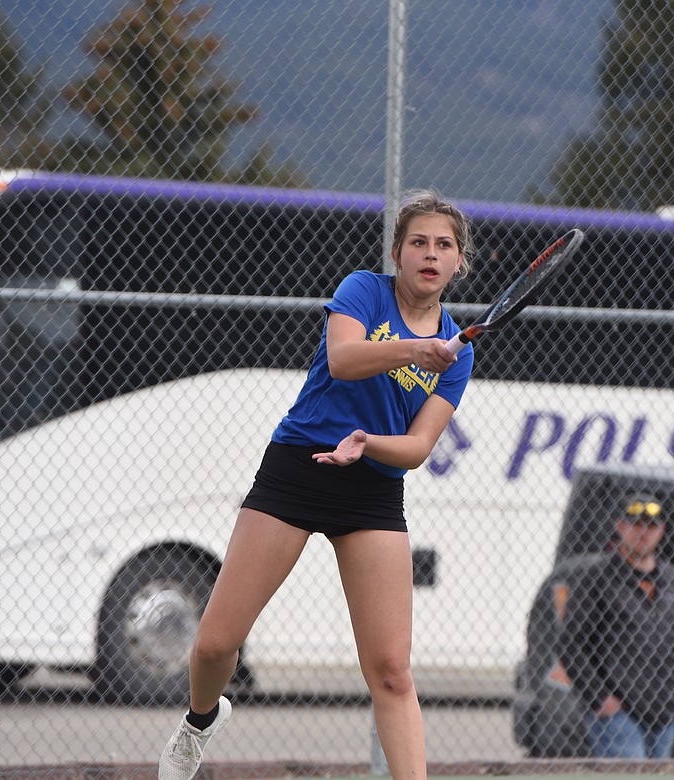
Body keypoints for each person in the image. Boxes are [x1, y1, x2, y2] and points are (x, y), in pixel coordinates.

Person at [158, 190, 476, 780]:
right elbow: (344, 359)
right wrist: (413, 350)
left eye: (444, 245)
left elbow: (416, 448)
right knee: (213, 644)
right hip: (297, 468)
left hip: (371, 490)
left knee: (391, 672)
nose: (430, 254)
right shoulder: (364, 290)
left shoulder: (458, 354)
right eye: (418, 243)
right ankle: (198, 724)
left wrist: (368, 445)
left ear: (459, 262)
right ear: (397, 253)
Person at [555, 492, 674, 760]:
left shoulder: (673, 580)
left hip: (664, 715)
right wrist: (600, 699)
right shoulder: (596, 578)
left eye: (651, 526)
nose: (643, 533)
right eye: (636, 524)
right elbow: (570, 643)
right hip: (620, 715)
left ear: (662, 531)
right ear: (621, 527)